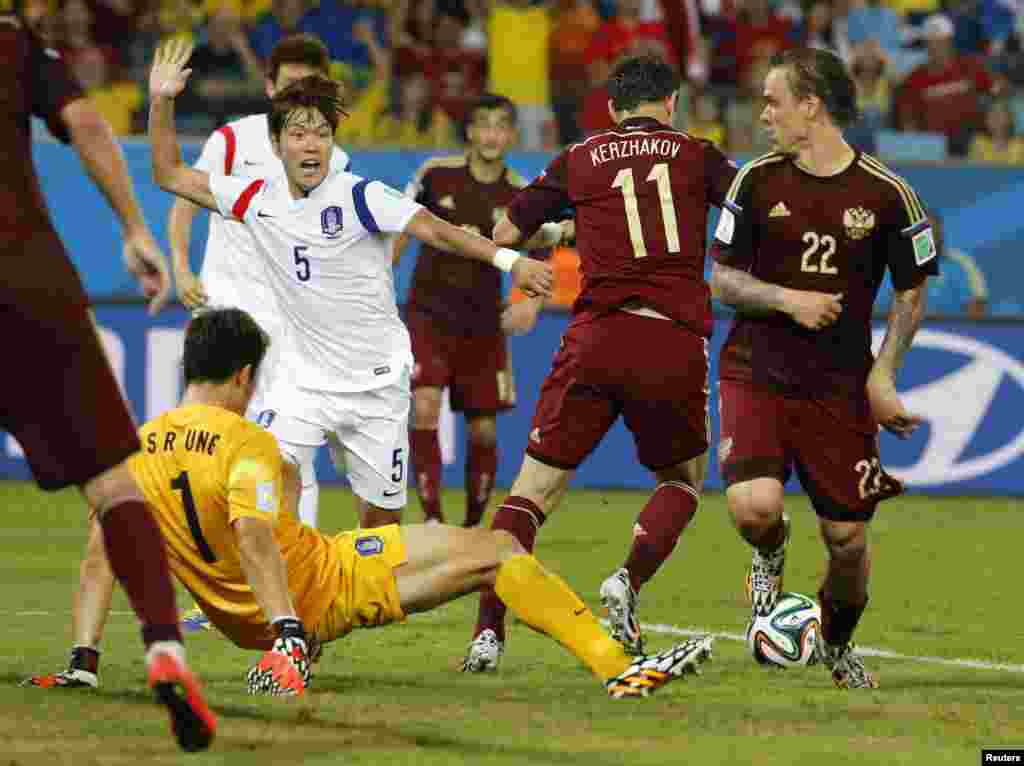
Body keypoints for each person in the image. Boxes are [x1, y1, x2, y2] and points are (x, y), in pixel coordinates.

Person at [28, 308, 714, 700]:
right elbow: (255, 538)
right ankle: (619, 669)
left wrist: (82, 663)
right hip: (320, 587)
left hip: (251, 617)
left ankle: (621, 670)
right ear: (244, 375)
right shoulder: (247, 442)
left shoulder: (138, 448)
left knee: (453, 543)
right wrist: (291, 634)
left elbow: (100, 560)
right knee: (497, 552)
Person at [147, 42, 553, 535]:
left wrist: (512, 262)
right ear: (277, 146)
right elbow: (168, 174)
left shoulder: (361, 197)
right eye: (298, 134)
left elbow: (440, 230)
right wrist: (162, 100)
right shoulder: (254, 197)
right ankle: (282, 600)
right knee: (270, 481)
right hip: (301, 383)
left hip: (374, 384)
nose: (311, 144)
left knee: (379, 529)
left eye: (321, 134)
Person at [461, 55, 738, 672]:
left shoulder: (579, 157)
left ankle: (487, 633)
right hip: (670, 338)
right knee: (682, 482)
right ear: (670, 105)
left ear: (612, 110)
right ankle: (627, 581)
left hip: (594, 339)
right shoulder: (700, 155)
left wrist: (557, 233)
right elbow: (747, 220)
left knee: (531, 494)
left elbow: (502, 233)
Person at [1, 14, 213, 752]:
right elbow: (88, 125)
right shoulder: (11, 39)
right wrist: (133, 226)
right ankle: (164, 647)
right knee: (116, 486)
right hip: (27, 278)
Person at [709, 47, 937, 690]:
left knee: (847, 542)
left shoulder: (889, 193)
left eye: (773, 102)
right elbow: (721, 278)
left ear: (812, 106)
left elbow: (912, 291)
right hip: (755, 369)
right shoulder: (754, 180)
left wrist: (883, 374)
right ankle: (770, 552)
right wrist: (786, 298)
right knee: (755, 508)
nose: (762, 115)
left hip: (837, 387)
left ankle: (836, 645)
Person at [170, 33, 350, 533]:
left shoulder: (334, 158)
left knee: (291, 450)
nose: (299, 95)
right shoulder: (231, 141)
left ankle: (298, 571)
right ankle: (220, 584)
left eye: (310, 86)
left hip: (290, 321)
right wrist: (181, 267)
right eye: (290, 85)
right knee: (212, 446)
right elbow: (185, 198)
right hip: (226, 310)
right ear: (269, 86)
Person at [393, 93, 569, 527]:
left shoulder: (519, 193)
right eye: (483, 124)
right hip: (428, 316)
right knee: (425, 405)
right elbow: (398, 224)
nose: (491, 134)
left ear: (510, 135)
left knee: (484, 431)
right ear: (470, 131)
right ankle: (433, 519)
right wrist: (380, 280)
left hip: (484, 325)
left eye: (500, 126)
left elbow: (543, 246)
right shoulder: (435, 176)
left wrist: (530, 302)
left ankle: (473, 527)